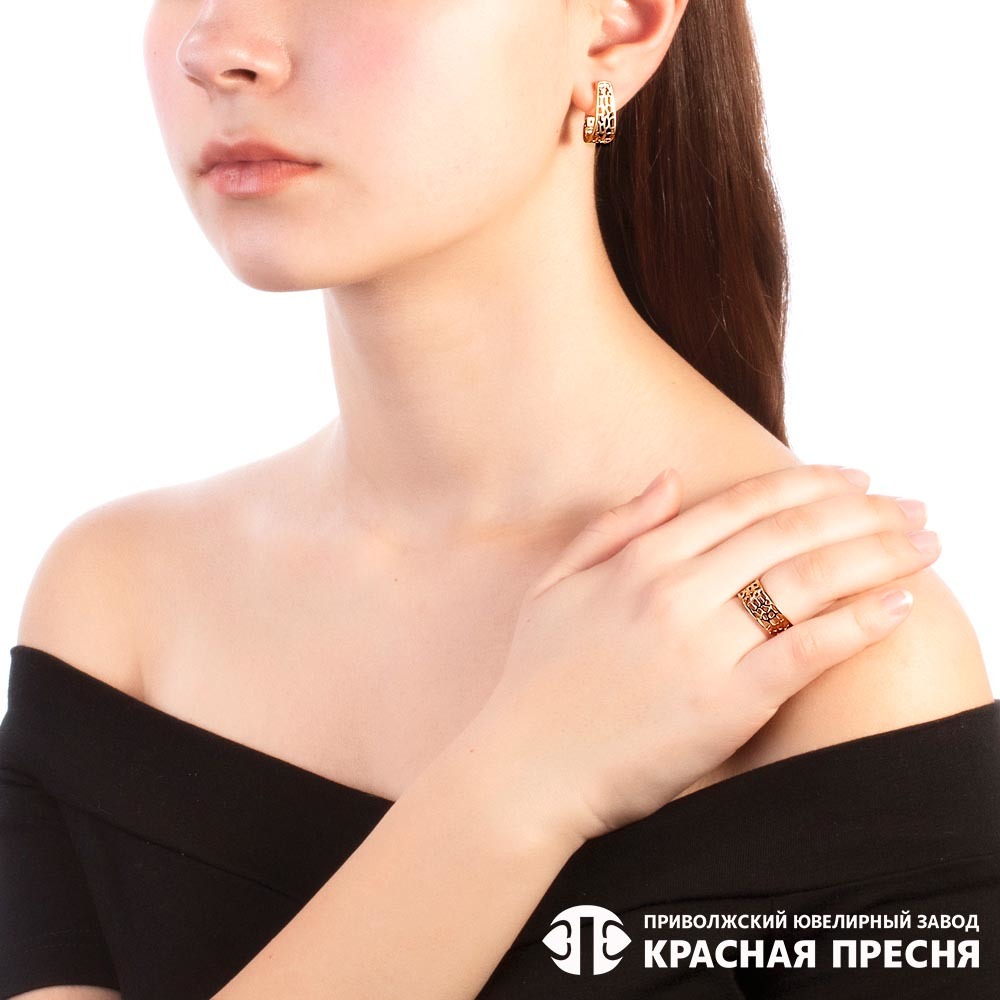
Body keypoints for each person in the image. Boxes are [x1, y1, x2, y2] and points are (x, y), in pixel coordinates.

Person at [2, 1, 997, 998]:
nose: (218, 47)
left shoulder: (839, 662)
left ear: (615, 28)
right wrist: (522, 780)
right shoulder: (118, 607)